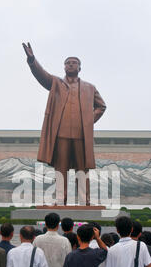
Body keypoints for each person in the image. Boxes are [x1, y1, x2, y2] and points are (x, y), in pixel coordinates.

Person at [23, 42, 106, 205]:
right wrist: (32, 59)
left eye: (74, 62)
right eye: (67, 63)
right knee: (60, 169)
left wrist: (89, 121)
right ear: (64, 67)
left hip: (81, 135)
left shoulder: (89, 88)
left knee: (82, 169)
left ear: (79, 68)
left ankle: (84, 200)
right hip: (61, 135)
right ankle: (61, 199)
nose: (70, 65)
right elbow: (42, 75)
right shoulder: (56, 83)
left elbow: (101, 106)